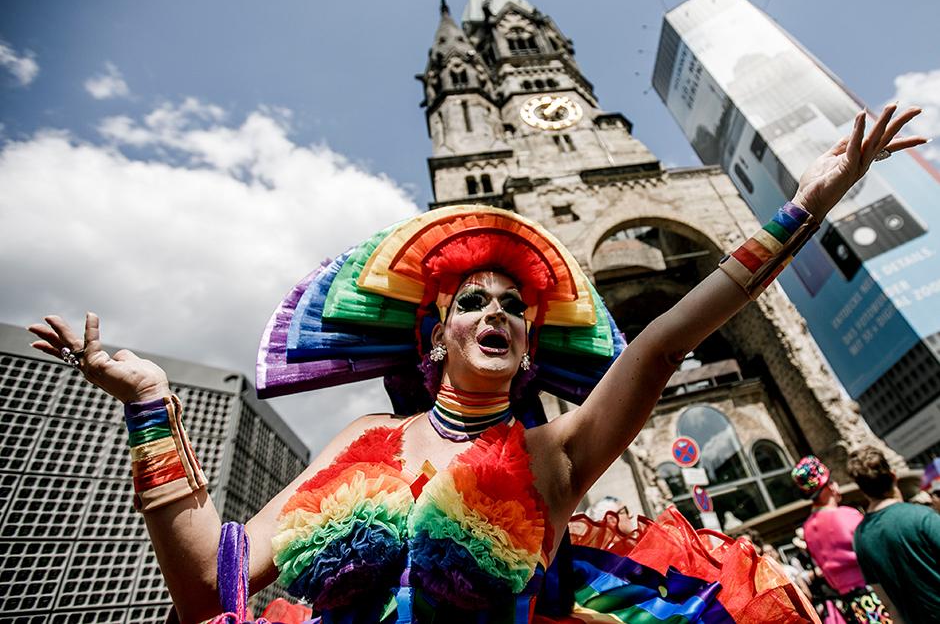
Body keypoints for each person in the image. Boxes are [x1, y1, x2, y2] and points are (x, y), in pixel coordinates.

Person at [28, 105, 924, 623]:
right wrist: (149, 403)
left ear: (531, 347)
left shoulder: (553, 455)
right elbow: (209, 583)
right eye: (473, 301)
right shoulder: (361, 449)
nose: (496, 310)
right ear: (434, 337)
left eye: (515, 306)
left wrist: (808, 204)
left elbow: (668, 337)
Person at [790, 455, 891, 623]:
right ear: (828, 487)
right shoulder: (847, 515)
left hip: (849, 606)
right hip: (876, 597)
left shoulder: (807, 529)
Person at [847, 446, 940, 624]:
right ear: (893, 476)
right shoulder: (921, 517)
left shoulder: (861, 537)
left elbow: (887, 603)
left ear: (863, 490)